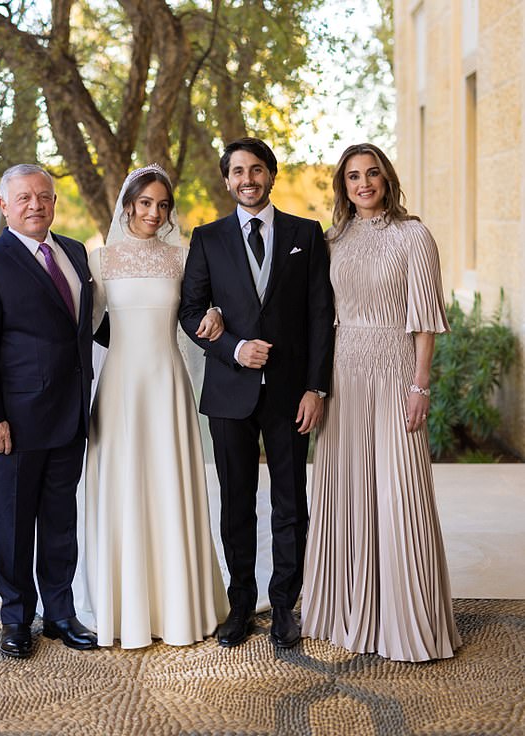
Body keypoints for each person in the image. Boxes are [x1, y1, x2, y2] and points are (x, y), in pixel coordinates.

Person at [300, 143, 462, 661]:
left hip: (395, 372)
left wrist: (420, 385)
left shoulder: (414, 236)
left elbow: (425, 320)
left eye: (372, 173)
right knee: (345, 489)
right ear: (342, 187)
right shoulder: (333, 240)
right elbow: (307, 311)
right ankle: (345, 611)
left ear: (387, 178)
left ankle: (408, 620)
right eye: (352, 177)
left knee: (402, 490)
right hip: (343, 374)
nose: (363, 183)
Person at [179, 137, 335, 649]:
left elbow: (319, 319)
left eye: (256, 170)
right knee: (236, 502)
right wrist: (233, 347)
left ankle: (286, 603)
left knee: (292, 502)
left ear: (271, 174)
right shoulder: (207, 238)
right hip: (229, 393)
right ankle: (240, 603)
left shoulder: (306, 235)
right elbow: (190, 311)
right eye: (238, 171)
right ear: (226, 180)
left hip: (291, 393)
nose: (248, 179)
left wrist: (316, 387)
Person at [82, 164, 228, 649]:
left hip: (166, 383)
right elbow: (83, 325)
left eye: (163, 204)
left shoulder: (182, 257)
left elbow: (200, 309)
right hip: (121, 384)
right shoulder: (99, 260)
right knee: (124, 486)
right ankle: (124, 606)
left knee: (168, 483)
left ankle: (178, 606)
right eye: (145, 203)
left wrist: (214, 313)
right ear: (128, 205)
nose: (154, 212)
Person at [0, 164, 97, 659]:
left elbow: (85, 326)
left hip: (71, 416)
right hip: (14, 424)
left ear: (54, 200)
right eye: (23, 198)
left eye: (44, 196)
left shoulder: (76, 253)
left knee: (61, 522)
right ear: (3, 205)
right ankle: (16, 618)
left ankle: (60, 614)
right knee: (13, 525)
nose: (35, 205)